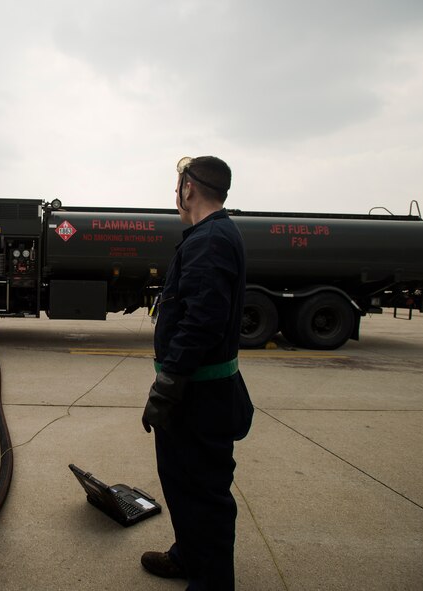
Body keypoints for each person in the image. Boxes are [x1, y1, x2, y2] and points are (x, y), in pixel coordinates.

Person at [141, 156, 254, 590]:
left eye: (177, 186)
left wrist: (166, 389)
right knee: (182, 484)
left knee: (203, 494)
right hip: (194, 392)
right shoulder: (212, 234)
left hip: (199, 398)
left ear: (188, 188)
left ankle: (210, 582)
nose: (176, 193)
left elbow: (202, 321)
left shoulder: (210, 239)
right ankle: (187, 556)